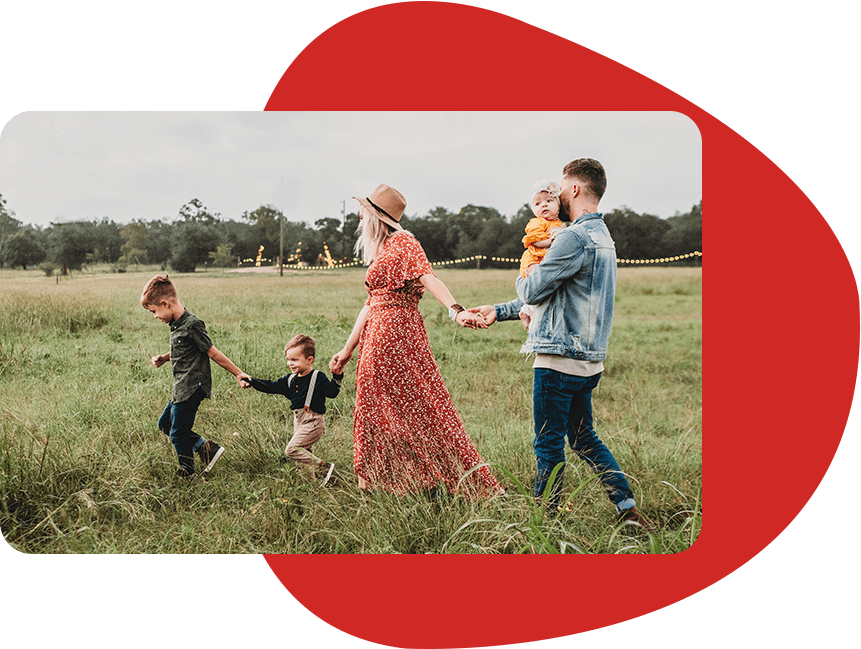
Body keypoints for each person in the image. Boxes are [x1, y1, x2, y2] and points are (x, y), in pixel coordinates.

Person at [469, 159, 652, 528]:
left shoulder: (572, 237)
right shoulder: (603, 237)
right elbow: (557, 295)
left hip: (558, 359)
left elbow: (535, 288)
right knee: (584, 439)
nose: (556, 195)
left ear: (576, 189)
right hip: (589, 362)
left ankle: (545, 520)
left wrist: (526, 273)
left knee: (547, 442)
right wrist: (500, 310)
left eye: (562, 187)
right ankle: (627, 509)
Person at [330, 183, 502, 498]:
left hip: (395, 335)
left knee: (416, 406)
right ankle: (381, 481)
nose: (358, 218)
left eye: (363, 212)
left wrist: (455, 310)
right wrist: (347, 350)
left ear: (375, 217)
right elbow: (369, 305)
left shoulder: (404, 241)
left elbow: (428, 277)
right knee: (380, 407)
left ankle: (423, 478)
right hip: (378, 336)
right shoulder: (382, 250)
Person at [141, 275, 250, 479]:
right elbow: (184, 349)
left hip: (192, 387)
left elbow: (212, 352)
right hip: (180, 386)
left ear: (165, 303)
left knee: (178, 433)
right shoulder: (176, 324)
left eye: (154, 311)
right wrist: (165, 358)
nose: (155, 316)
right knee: (165, 424)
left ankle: (187, 472)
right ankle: (207, 449)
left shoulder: (192, 324)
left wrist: (238, 373)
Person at [242, 334, 342, 485]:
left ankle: (323, 467)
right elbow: (270, 386)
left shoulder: (318, 377)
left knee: (292, 449)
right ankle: (312, 486)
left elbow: (332, 393)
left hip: (313, 421)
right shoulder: (290, 379)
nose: (290, 363)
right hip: (299, 421)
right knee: (303, 457)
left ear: (310, 360)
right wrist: (252, 381)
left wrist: (337, 376)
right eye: (288, 359)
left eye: (294, 360)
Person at [518, 180, 567, 329]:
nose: (543, 205)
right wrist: (549, 241)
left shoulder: (561, 224)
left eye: (549, 201)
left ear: (559, 205)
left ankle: (527, 309)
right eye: (537, 204)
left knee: (546, 286)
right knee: (538, 281)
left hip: (545, 260)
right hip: (534, 259)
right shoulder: (537, 223)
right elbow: (533, 241)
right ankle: (530, 312)